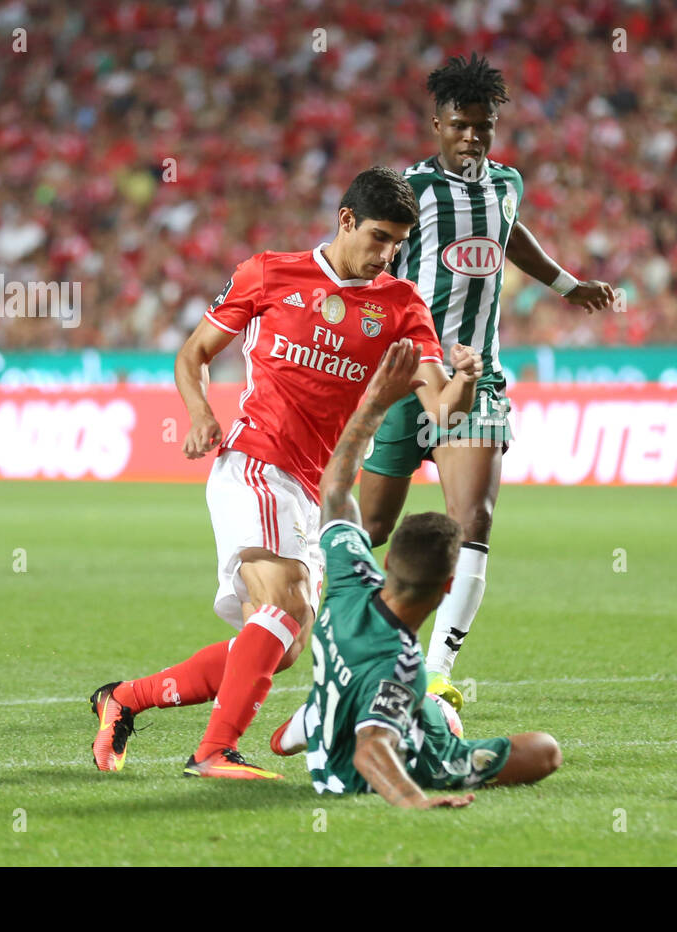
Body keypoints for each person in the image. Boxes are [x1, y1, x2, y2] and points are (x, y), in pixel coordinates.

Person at [88, 167, 484, 779]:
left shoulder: (402, 304)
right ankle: (214, 751)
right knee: (288, 600)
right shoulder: (269, 273)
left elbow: (439, 407)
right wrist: (200, 414)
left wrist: (466, 379)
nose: (386, 257)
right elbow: (193, 353)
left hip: (317, 490)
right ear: (345, 220)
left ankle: (123, 700)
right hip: (256, 463)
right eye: (378, 238)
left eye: (398, 246)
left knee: (285, 643)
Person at [359, 54, 617, 711]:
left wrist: (567, 284)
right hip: (408, 375)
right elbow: (370, 257)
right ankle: (353, 645)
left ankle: (437, 674)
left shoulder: (507, 184)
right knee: (372, 527)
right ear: (436, 123)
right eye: (461, 125)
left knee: (470, 521)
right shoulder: (410, 190)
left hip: (480, 380)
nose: (473, 136)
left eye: (484, 126)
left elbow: (507, 235)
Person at [269, 338, 562, 805]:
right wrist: (415, 799)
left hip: (334, 740)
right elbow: (371, 752)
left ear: (385, 560)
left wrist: (374, 403)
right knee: (546, 750)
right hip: (375, 771)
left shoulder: (347, 583)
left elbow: (336, 490)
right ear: (448, 588)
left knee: (398, 702)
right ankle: (428, 719)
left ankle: (320, 712)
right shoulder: (402, 665)